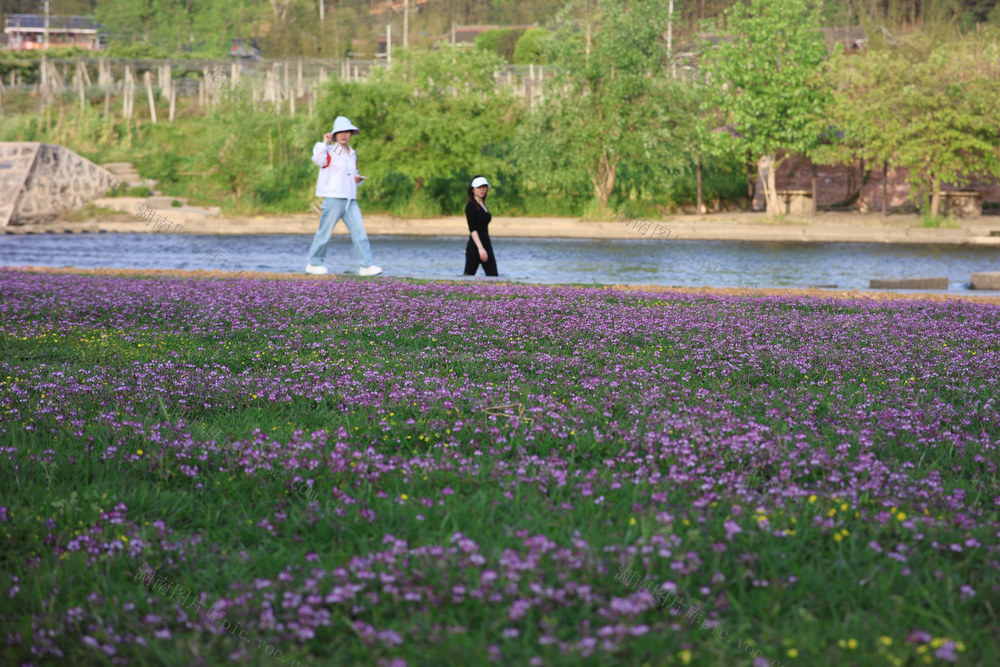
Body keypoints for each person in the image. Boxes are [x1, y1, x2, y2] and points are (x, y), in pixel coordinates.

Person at [304, 116, 382, 277]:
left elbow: (352, 174)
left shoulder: (352, 153)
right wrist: (324, 142)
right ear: (334, 134)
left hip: (350, 199)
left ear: (351, 133)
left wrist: (358, 180)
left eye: (347, 131)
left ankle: (366, 266)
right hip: (333, 198)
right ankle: (313, 263)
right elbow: (317, 159)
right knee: (324, 233)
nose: (344, 135)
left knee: (360, 233)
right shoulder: (330, 150)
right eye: (340, 132)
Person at [463, 176, 497, 277]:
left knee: (493, 276)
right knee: (468, 276)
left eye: (484, 187)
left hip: (486, 243)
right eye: (479, 187)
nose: (482, 190)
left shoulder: (482, 204)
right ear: (473, 189)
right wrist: (480, 248)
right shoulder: (471, 206)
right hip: (475, 246)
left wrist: (485, 247)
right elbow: (472, 229)